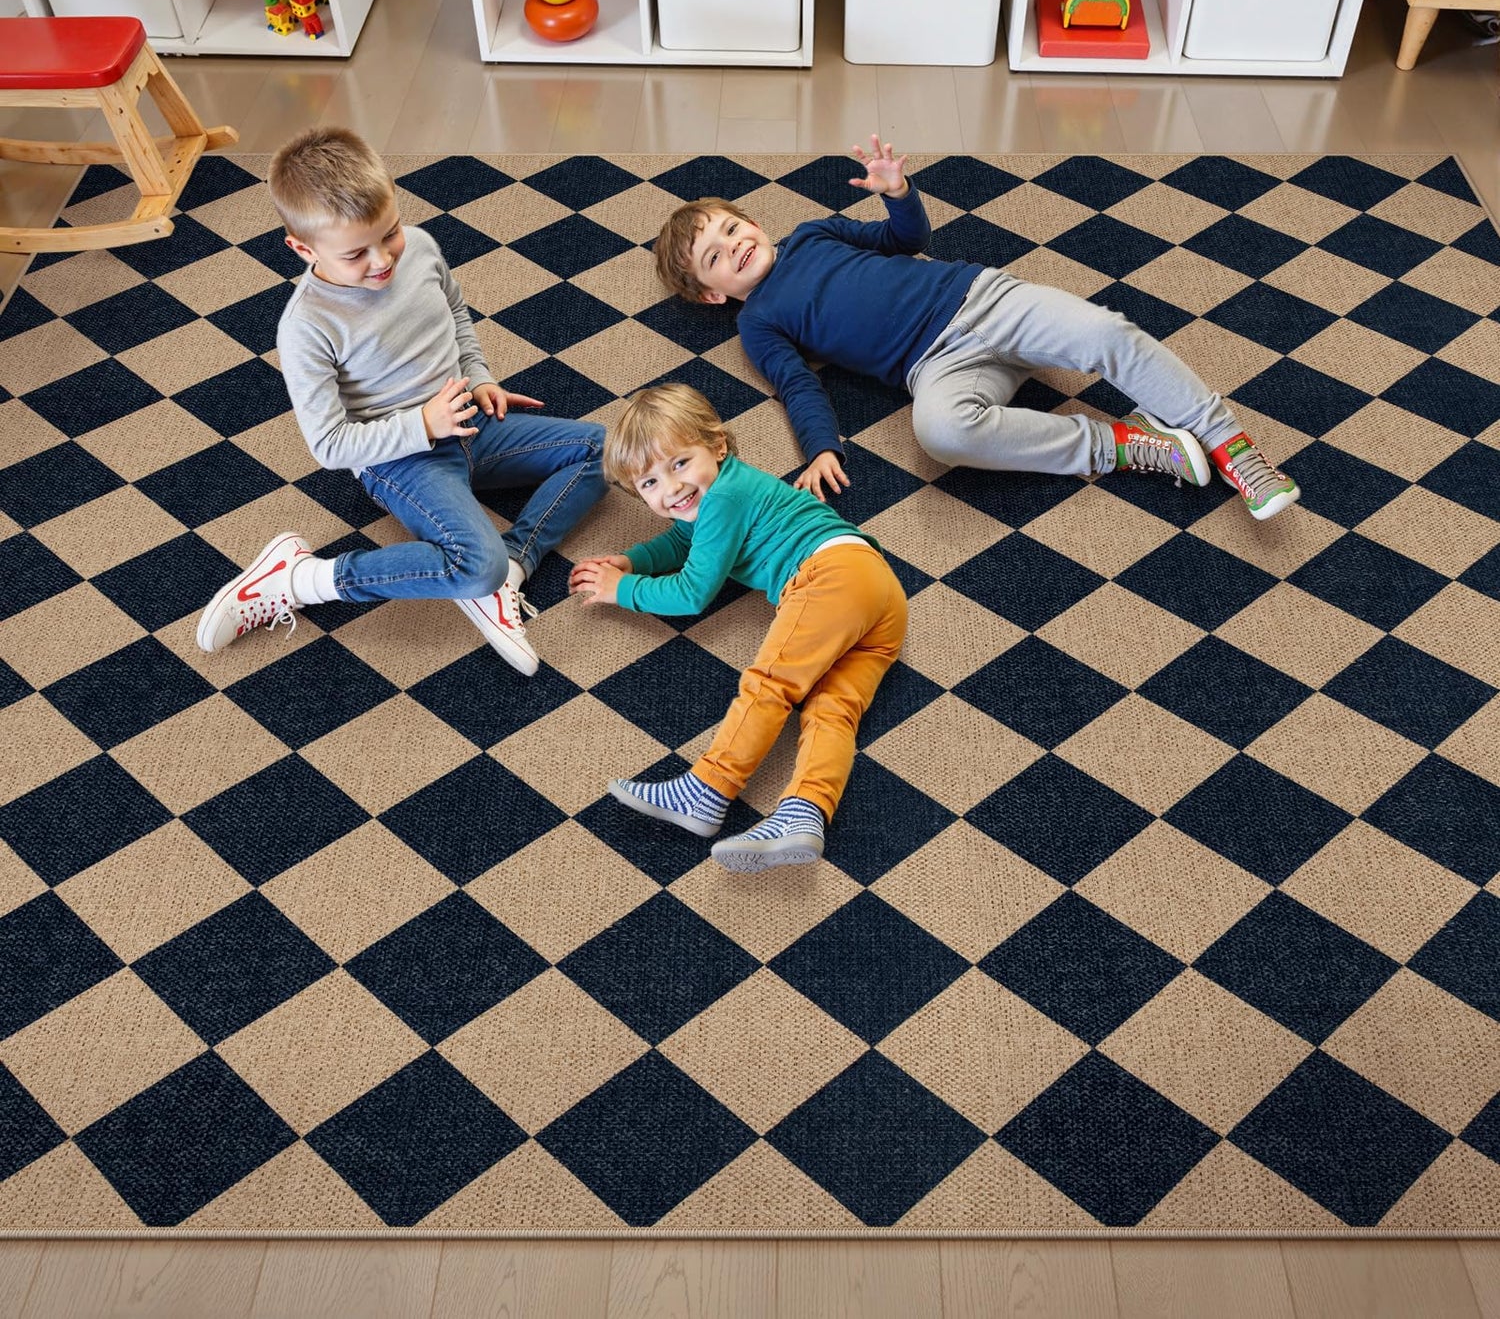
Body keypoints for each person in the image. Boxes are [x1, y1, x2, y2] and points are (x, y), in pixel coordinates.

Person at [652, 134, 1301, 522]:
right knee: (940, 434)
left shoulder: (815, 233)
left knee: (1106, 334)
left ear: (754, 223)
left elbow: (905, 240)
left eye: (732, 229)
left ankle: (1229, 443)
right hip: (937, 369)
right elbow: (798, 386)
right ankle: (1125, 444)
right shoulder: (758, 323)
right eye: (715, 257)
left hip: (982, 301)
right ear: (713, 294)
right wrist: (822, 448)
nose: (734, 246)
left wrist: (898, 194)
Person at [195, 125, 607, 675]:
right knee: (474, 565)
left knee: (605, 449)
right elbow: (329, 445)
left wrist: (478, 377)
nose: (381, 260)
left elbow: (454, 313)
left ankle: (511, 567)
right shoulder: (306, 327)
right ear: (303, 249)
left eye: (389, 233)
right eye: (355, 254)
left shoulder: (421, 247)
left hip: (469, 421)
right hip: (401, 460)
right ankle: (299, 579)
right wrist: (424, 426)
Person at [570, 383, 908, 873]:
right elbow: (684, 540)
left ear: (719, 446)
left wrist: (623, 589)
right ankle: (805, 812)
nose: (671, 489)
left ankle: (709, 788)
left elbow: (692, 592)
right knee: (832, 711)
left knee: (770, 683)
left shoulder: (725, 496)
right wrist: (634, 560)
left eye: (680, 463)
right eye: (649, 483)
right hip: (879, 594)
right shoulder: (717, 495)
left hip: (830, 575)